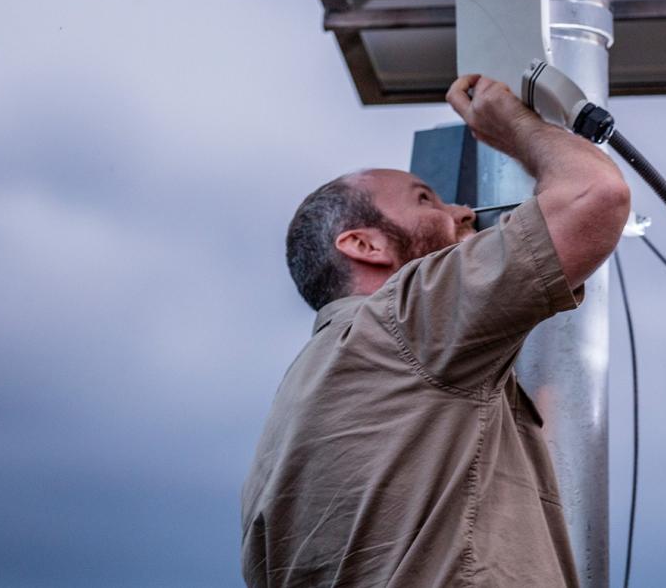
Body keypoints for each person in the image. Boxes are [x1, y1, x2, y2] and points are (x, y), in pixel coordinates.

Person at [241, 74, 630, 588]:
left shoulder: (285, 427)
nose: (464, 211)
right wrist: (511, 127)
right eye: (426, 200)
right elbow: (595, 195)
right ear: (365, 245)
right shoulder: (404, 321)